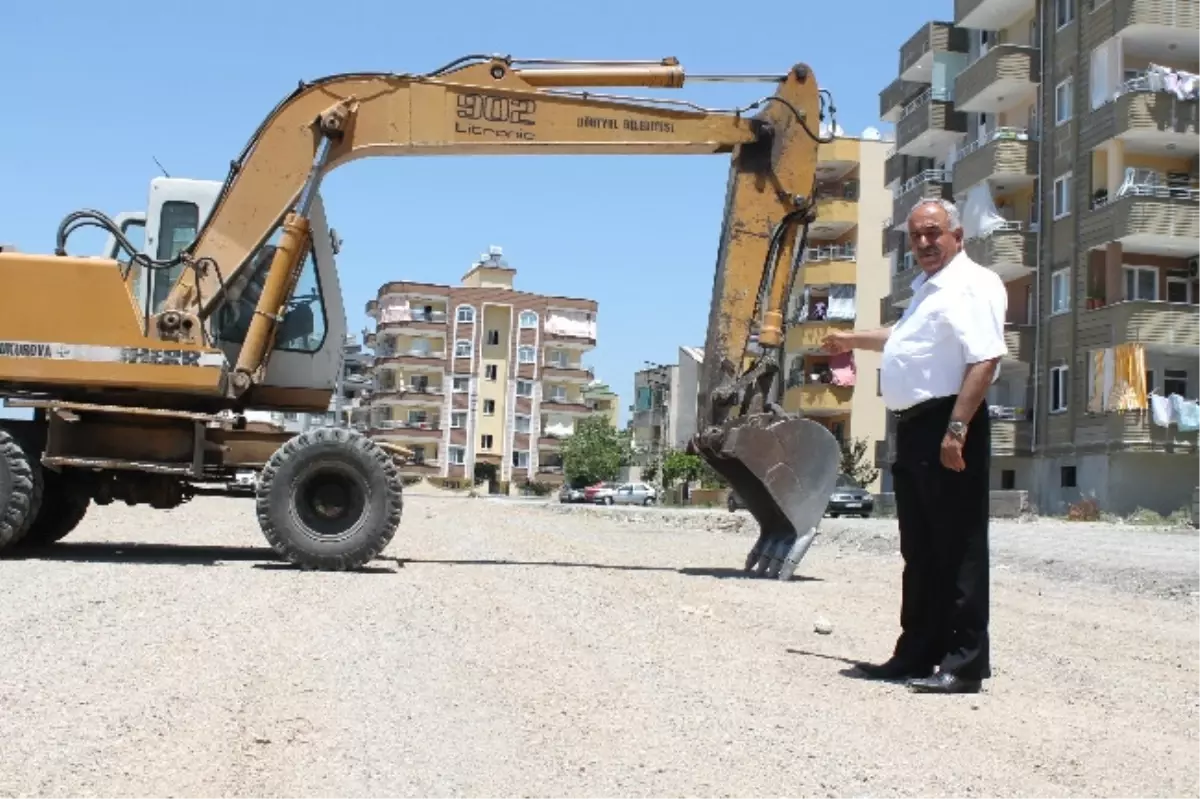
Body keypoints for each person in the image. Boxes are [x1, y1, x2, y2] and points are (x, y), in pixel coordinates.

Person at [822, 198, 1007, 695]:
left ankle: (964, 665)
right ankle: (916, 654)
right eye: (916, 236)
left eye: (933, 233)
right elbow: (902, 336)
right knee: (921, 551)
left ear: (957, 236)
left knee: (959, 548)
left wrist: (957, 430)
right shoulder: (928, 290)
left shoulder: (973, 284)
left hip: (949, 425)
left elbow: (985, 360)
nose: (924, 243)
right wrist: (850, 339)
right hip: (915, 429)